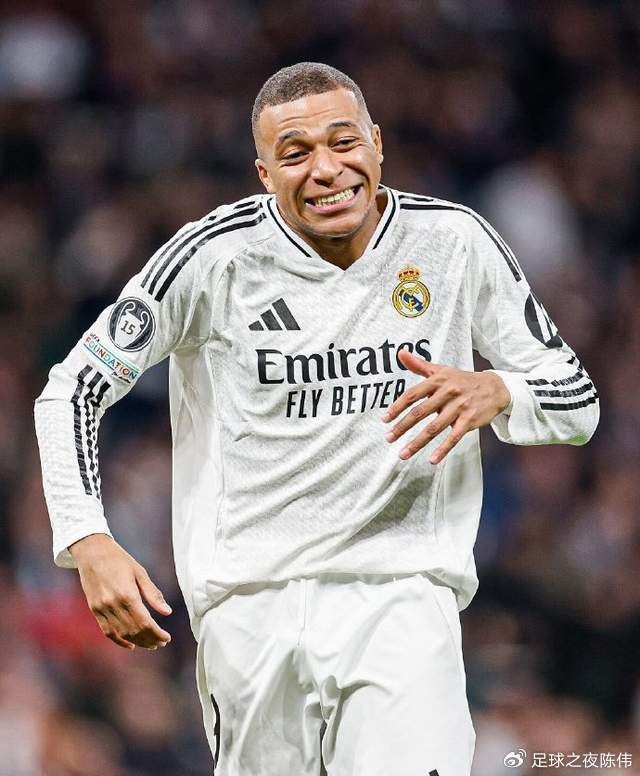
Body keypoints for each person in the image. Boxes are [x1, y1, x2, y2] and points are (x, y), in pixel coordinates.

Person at [35, 62, 599, 776]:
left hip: (402, 597)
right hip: (251, 612)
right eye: (296, 153)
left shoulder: (453, 242)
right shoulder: (214, 257)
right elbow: (73, 389)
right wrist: (88, 539)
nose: (327, 169)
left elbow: (577, 401)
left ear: (377, 144)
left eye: (344, 142)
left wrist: (501, 391)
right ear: (264, 174)